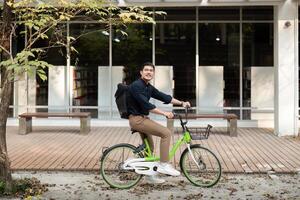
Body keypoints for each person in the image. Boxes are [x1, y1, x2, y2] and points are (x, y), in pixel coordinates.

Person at [127, 62, 191, 184]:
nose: (149, 72)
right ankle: (164, 164)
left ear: (153, 73)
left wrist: (181, 103)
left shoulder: (148, 87)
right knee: (166, 133)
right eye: (146, 70)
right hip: (137, 120)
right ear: (141, 72)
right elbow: (147, 105)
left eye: (151, 70)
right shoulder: (136, 86)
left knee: (149, 148)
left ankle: (149, 176)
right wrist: (165, 113)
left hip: (142, 118)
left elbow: (164, 97)